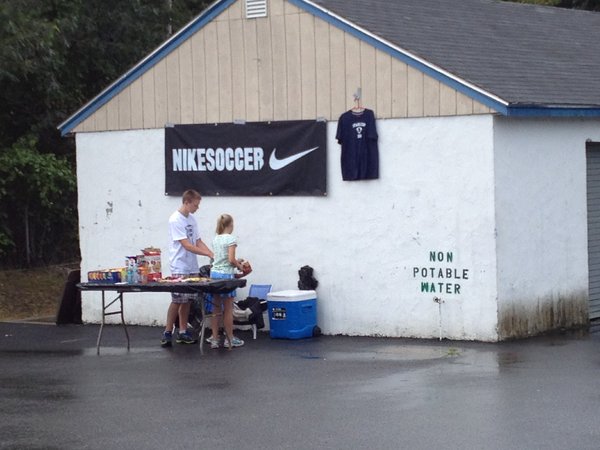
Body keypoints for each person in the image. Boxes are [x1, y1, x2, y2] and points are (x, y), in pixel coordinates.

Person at [161, 189, 214, 347]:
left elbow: (197, 241)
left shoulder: (192, 219)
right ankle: (167, 331)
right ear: (186, 202)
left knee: (188, 300)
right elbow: (187, 245)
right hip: (179, 265)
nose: (197, 208)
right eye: (195, 205)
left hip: (191, 265)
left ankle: (183, 331)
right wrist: (206, 253)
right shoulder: (175, 219)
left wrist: (211, 253)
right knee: (177, 299)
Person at [206, 213, 251, 349]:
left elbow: (219, 258)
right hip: (226, 276)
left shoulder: (216, 239)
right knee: (228, 309)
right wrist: (240, 265)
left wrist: (235, 262)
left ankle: (214, 339)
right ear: (230, 225)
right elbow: (231, 260)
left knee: (215, 308)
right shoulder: (231, 239)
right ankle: (229, 339)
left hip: (214, 274)